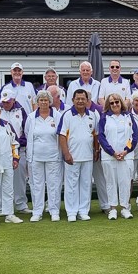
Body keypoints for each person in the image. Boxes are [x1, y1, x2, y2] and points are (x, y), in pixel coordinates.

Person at [58, 89, 101, 222]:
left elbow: (95, 135)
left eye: (83, 98)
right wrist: (66, 153)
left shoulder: (93, 115)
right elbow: (62, 135)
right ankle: (71, 212)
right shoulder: (67, 115)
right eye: (78, 98)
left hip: (87, 156)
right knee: (71, 185)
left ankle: (83, 211)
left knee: (86, 184)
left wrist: (96, 150)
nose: (81, 101)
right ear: (73, 100)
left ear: (87, 100)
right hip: (72, 156)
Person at [98, 93, 138, 220]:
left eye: (117, 102)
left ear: (121, 102)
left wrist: (126, 151)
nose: (115, 104)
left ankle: (125, 208)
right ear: (108, 105)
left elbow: (134, 136)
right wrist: (113, 152)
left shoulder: (129, 117)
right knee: (110, 182)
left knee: (125, 182)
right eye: (112, 103)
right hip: (109, 156)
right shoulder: (104, 117)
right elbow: (101, 137)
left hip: (126, 156)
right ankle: (113, 209)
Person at [24, 90, 64, 222]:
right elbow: (27, 133)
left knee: (54, 184)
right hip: (35, 157)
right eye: (41, 100)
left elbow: (61, 134)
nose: (43, 102)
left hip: (53, 156)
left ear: (50, 102)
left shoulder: (57, 116)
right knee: (36, 184)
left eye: (46, 100)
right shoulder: (31, 117)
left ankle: (54, 210)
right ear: (37, 102)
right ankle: (37, 211)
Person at [0, 92, 30, 215]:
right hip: (2, 150)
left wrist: (19, 142)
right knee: (2, 179)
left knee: (19, 179)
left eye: (8, 101)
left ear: (13, 100)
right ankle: (3, 206)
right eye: (4, 102)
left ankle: (21, 204)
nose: (5, 104)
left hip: (18, 149)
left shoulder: (21, 111)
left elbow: (25, 130)